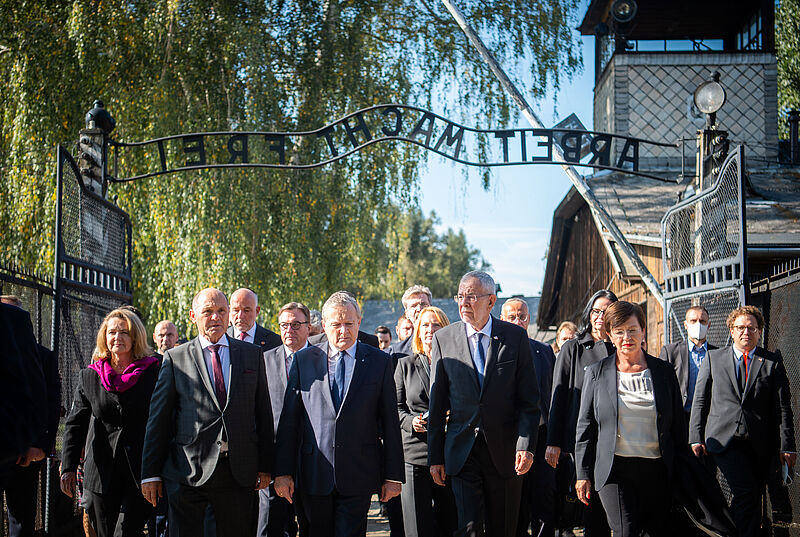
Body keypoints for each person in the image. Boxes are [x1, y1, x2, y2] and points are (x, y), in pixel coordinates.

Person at [141, 288, 273, 536]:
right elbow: (157, 420)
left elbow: (262, 413)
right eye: (208, 312)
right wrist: (150, 473)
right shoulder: (175, 358)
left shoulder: (251, 354)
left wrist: (265, 466)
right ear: (193, 316)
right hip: (188, 473)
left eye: (221, 311)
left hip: (238, 473)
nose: (215, 317)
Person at [274, 291, 404, 537]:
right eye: (336, 324)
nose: (343, 331)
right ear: (323, 325)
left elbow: (389, 420)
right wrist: (282, 472)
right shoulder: (304, 360)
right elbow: (290, 421)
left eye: (349, 323)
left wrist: (393, 476)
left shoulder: (378, 361)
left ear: (359, 321)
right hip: (314, 471)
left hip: (359, 472)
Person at [428, 271, 540, 537]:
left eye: (472, 296)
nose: (463, 302)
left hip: (506, 453)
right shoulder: (444, 339)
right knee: (469, 529)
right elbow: (437, 403)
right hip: (461, 452)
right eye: (460, 296)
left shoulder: (514, 338)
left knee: (503, 528)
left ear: (491, 301)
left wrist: (526, 445)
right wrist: (435, 457)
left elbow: (528, 401)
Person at [574, 301, 685, 537]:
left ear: (643, 331)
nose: (627, 337)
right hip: (614, 469)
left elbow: (677, 426)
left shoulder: (664, 372)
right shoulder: (597, 372)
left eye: (632, 329)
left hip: (656, 469)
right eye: (619, 331)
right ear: (609, 335)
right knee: (626, 530)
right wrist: (582, 474)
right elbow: (585, 427)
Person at [689, 305, 796, 537]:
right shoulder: (713, 358)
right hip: (723, 441)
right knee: (746, 492)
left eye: (751, 328)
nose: (745, 332)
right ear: (731, 330)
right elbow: (700, 401)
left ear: (759, 332)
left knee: (752, 498)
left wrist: (787, 445)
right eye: (740, 327)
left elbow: (783, 408)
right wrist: (695, 437)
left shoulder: (771, 362)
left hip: (760, 444)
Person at [60, 308, 160, 537]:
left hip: (140, 471)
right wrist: (67, 466)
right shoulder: (90, 375)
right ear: (104, 337)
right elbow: (75, 423)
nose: (118, 338)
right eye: (112, 332)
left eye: (125, 332)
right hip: (101, 472)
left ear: (136, 337)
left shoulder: (154, 370)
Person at [546, 290, 617, 536]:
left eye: (607, 310)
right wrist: (554, 441)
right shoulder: (573, 349)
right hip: (583, 441)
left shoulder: (622, 347)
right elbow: (559, 395)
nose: (600, 316)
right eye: (596, 310)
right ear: (589, 313)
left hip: (618, 439)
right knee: (592, 511)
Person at [0, 295, 61, 537]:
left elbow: (48, 401)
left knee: (22, 521)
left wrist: (39, 446)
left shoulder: (43, 356)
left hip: (24, 452)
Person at [395, 306, 457, 537]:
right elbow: (395, 408)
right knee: (417, 526)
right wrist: (411, 421)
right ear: (418, 331)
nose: (431, 329)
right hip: (415, 454)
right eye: (425, 325)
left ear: (446, 329)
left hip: (451, 452)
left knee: (450, 523)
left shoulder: (458, 364)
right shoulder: (405, 365)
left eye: (436, 324)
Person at [500, 298, 557, 537]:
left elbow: (554, 395)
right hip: (510, 438)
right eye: (512, 317)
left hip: (541, 435)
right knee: (515, 503)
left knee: (544, 498)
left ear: (529, 319)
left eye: (522, 316)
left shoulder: (543, 350)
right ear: (502, 320)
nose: (517, 321)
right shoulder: (496, 351)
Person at [258, 302, 312, 537]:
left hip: (313, 461)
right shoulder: (263, 360)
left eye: (296, 324)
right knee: (269, 528)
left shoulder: (324, 360)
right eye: (284, 325)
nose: (289, 329)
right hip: (273, 460)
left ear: (308, 327)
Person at [658, 306, 717, 421]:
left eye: (702, 321)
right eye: (693, 321)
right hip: (680, 416)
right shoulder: (670, 352)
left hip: (709, 418)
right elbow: (661, 386)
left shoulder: (717, 354)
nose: (698, 325)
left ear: (708, 325)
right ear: (686, 325)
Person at [390, 285, 433, 357]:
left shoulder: (446, 341)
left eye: (423, 304)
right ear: (406, 313)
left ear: (431, 307)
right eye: (414, 306)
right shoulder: (397, 352)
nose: (419, 309)